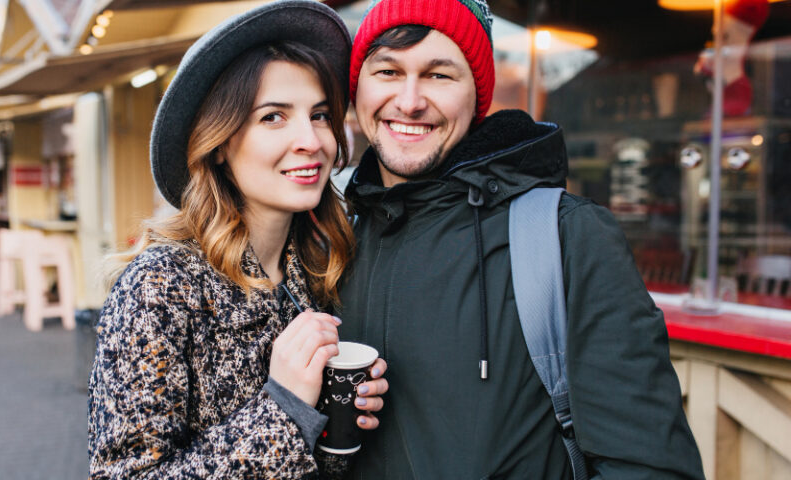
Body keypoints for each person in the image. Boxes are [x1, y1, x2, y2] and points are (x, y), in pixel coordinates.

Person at [335, 0, 704, 478]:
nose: (409, 100)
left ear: (477, 97)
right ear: (357, 87)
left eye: (439, 75)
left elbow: (648, 466)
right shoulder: (331, 238)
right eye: (387, 71)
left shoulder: (565, 236)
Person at [88, 1, 388, 478]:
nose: (310, 140)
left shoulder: (320, 264)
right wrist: (285, 408)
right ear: (222, 142)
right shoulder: (160, 286)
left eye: (320, 114)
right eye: (273, 117)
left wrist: (336, 424)